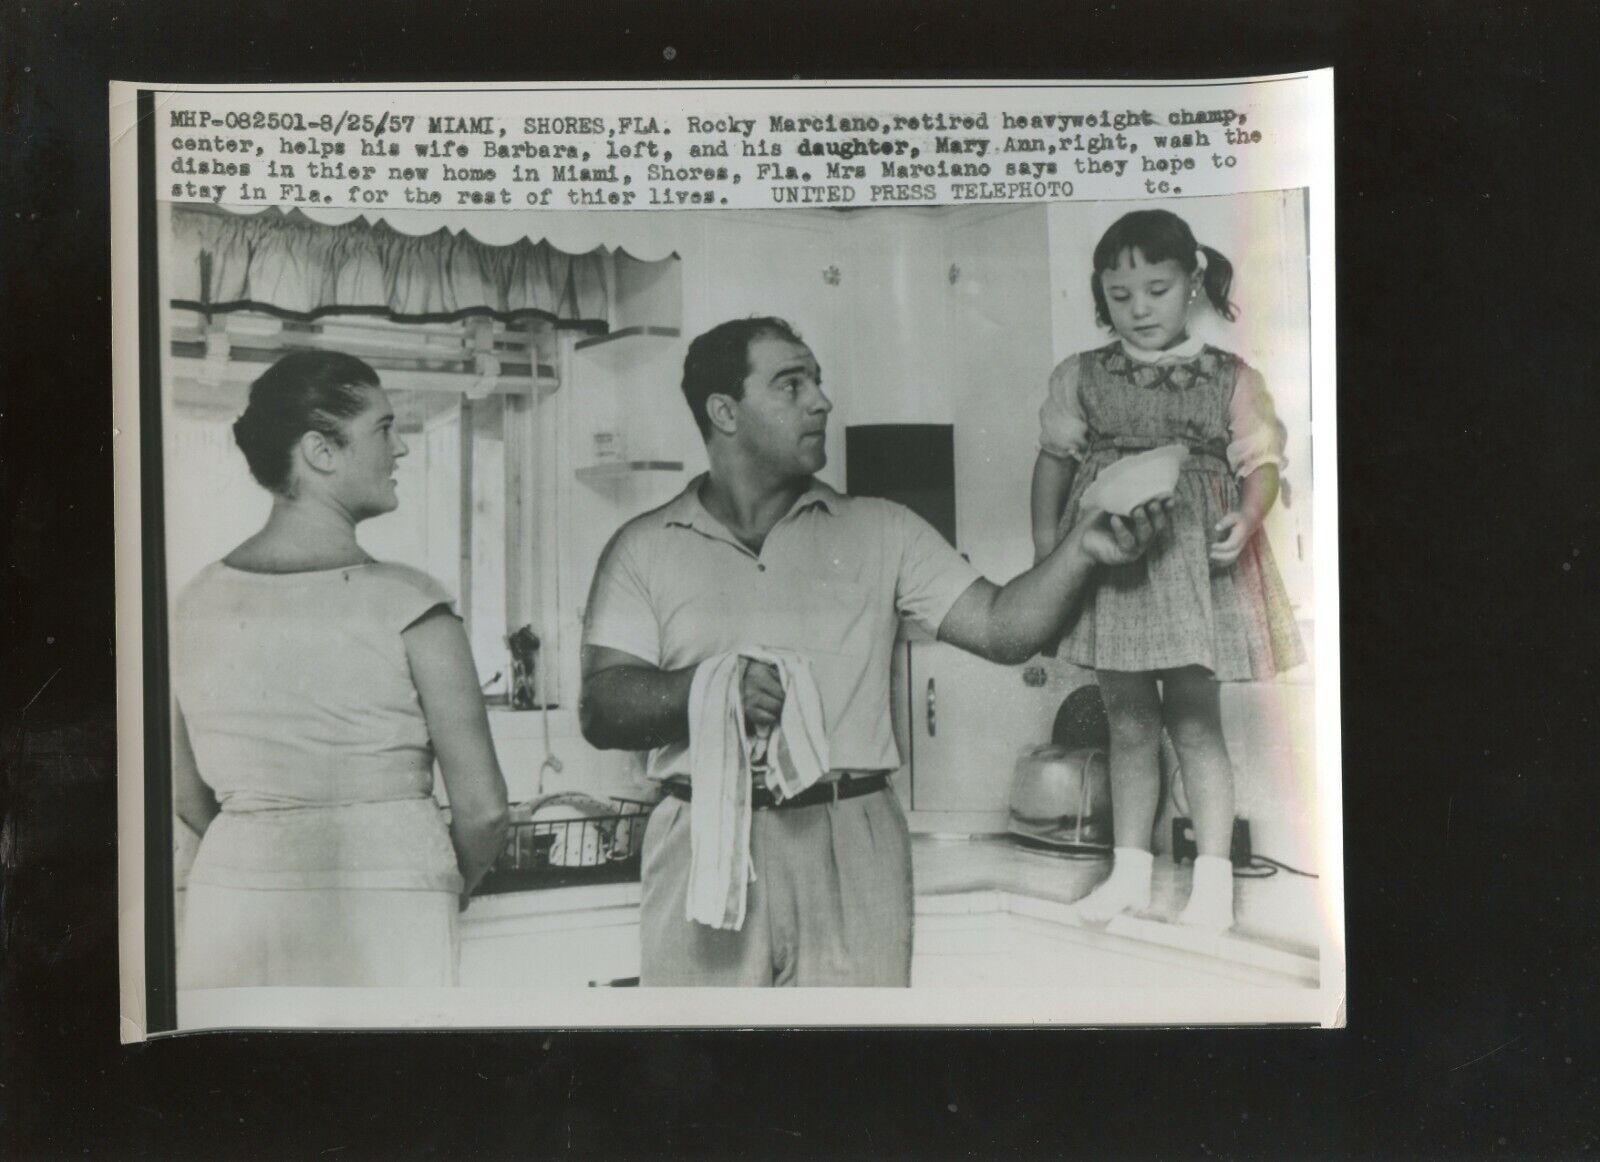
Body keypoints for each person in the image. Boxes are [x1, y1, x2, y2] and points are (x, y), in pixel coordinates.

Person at [580, 317, 1172, 986]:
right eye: (790, 384)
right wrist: (709, 689)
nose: (821, 402)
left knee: (860, 1076)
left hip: (850, 835)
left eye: (819, 382)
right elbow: (603, 706)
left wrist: (1083, 550)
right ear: (725, 412)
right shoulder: (645, 545)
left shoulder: (883, 529)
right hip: (700, 839)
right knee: (697, 1075)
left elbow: (1003, 627)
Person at [171, 350, 509, 988]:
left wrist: (275, 854)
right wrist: (437, 882)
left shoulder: (191, 604)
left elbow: (184, 794)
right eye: (384, 428)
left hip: (234, 898)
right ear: (321, 452)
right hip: (390, 898)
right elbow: (485, 809)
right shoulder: (412, 603)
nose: (401, 449)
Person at [1030, 209, 1305, 931]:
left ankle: (1211, 884)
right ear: (1101, 295)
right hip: (1111, 562)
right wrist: (1045, 558)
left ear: (1191, 284)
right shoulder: (1082, 377)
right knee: (1126, 724)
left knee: (1195, 725)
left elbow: (1263, 465)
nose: (1138, 307)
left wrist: (1246, 519)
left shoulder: (1231, 378)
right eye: (1121, 295)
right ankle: (1129, 875)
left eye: (1155, 288)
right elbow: (1053, 464)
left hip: (1194, 566)